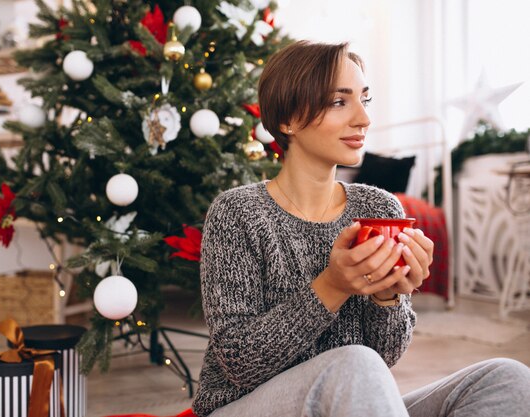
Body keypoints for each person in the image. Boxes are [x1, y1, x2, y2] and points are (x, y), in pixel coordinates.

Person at [191, 41, 530, 417]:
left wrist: (387, 297)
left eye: (364, 101)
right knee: (354, 364)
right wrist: (332, 286)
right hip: (244, 407)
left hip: (346, 400)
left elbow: (383, 358)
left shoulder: (379, 207)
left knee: (506, 377)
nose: (363, 119)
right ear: (287, 119)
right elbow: (238, 363)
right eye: (340, 102)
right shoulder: (238, 212)